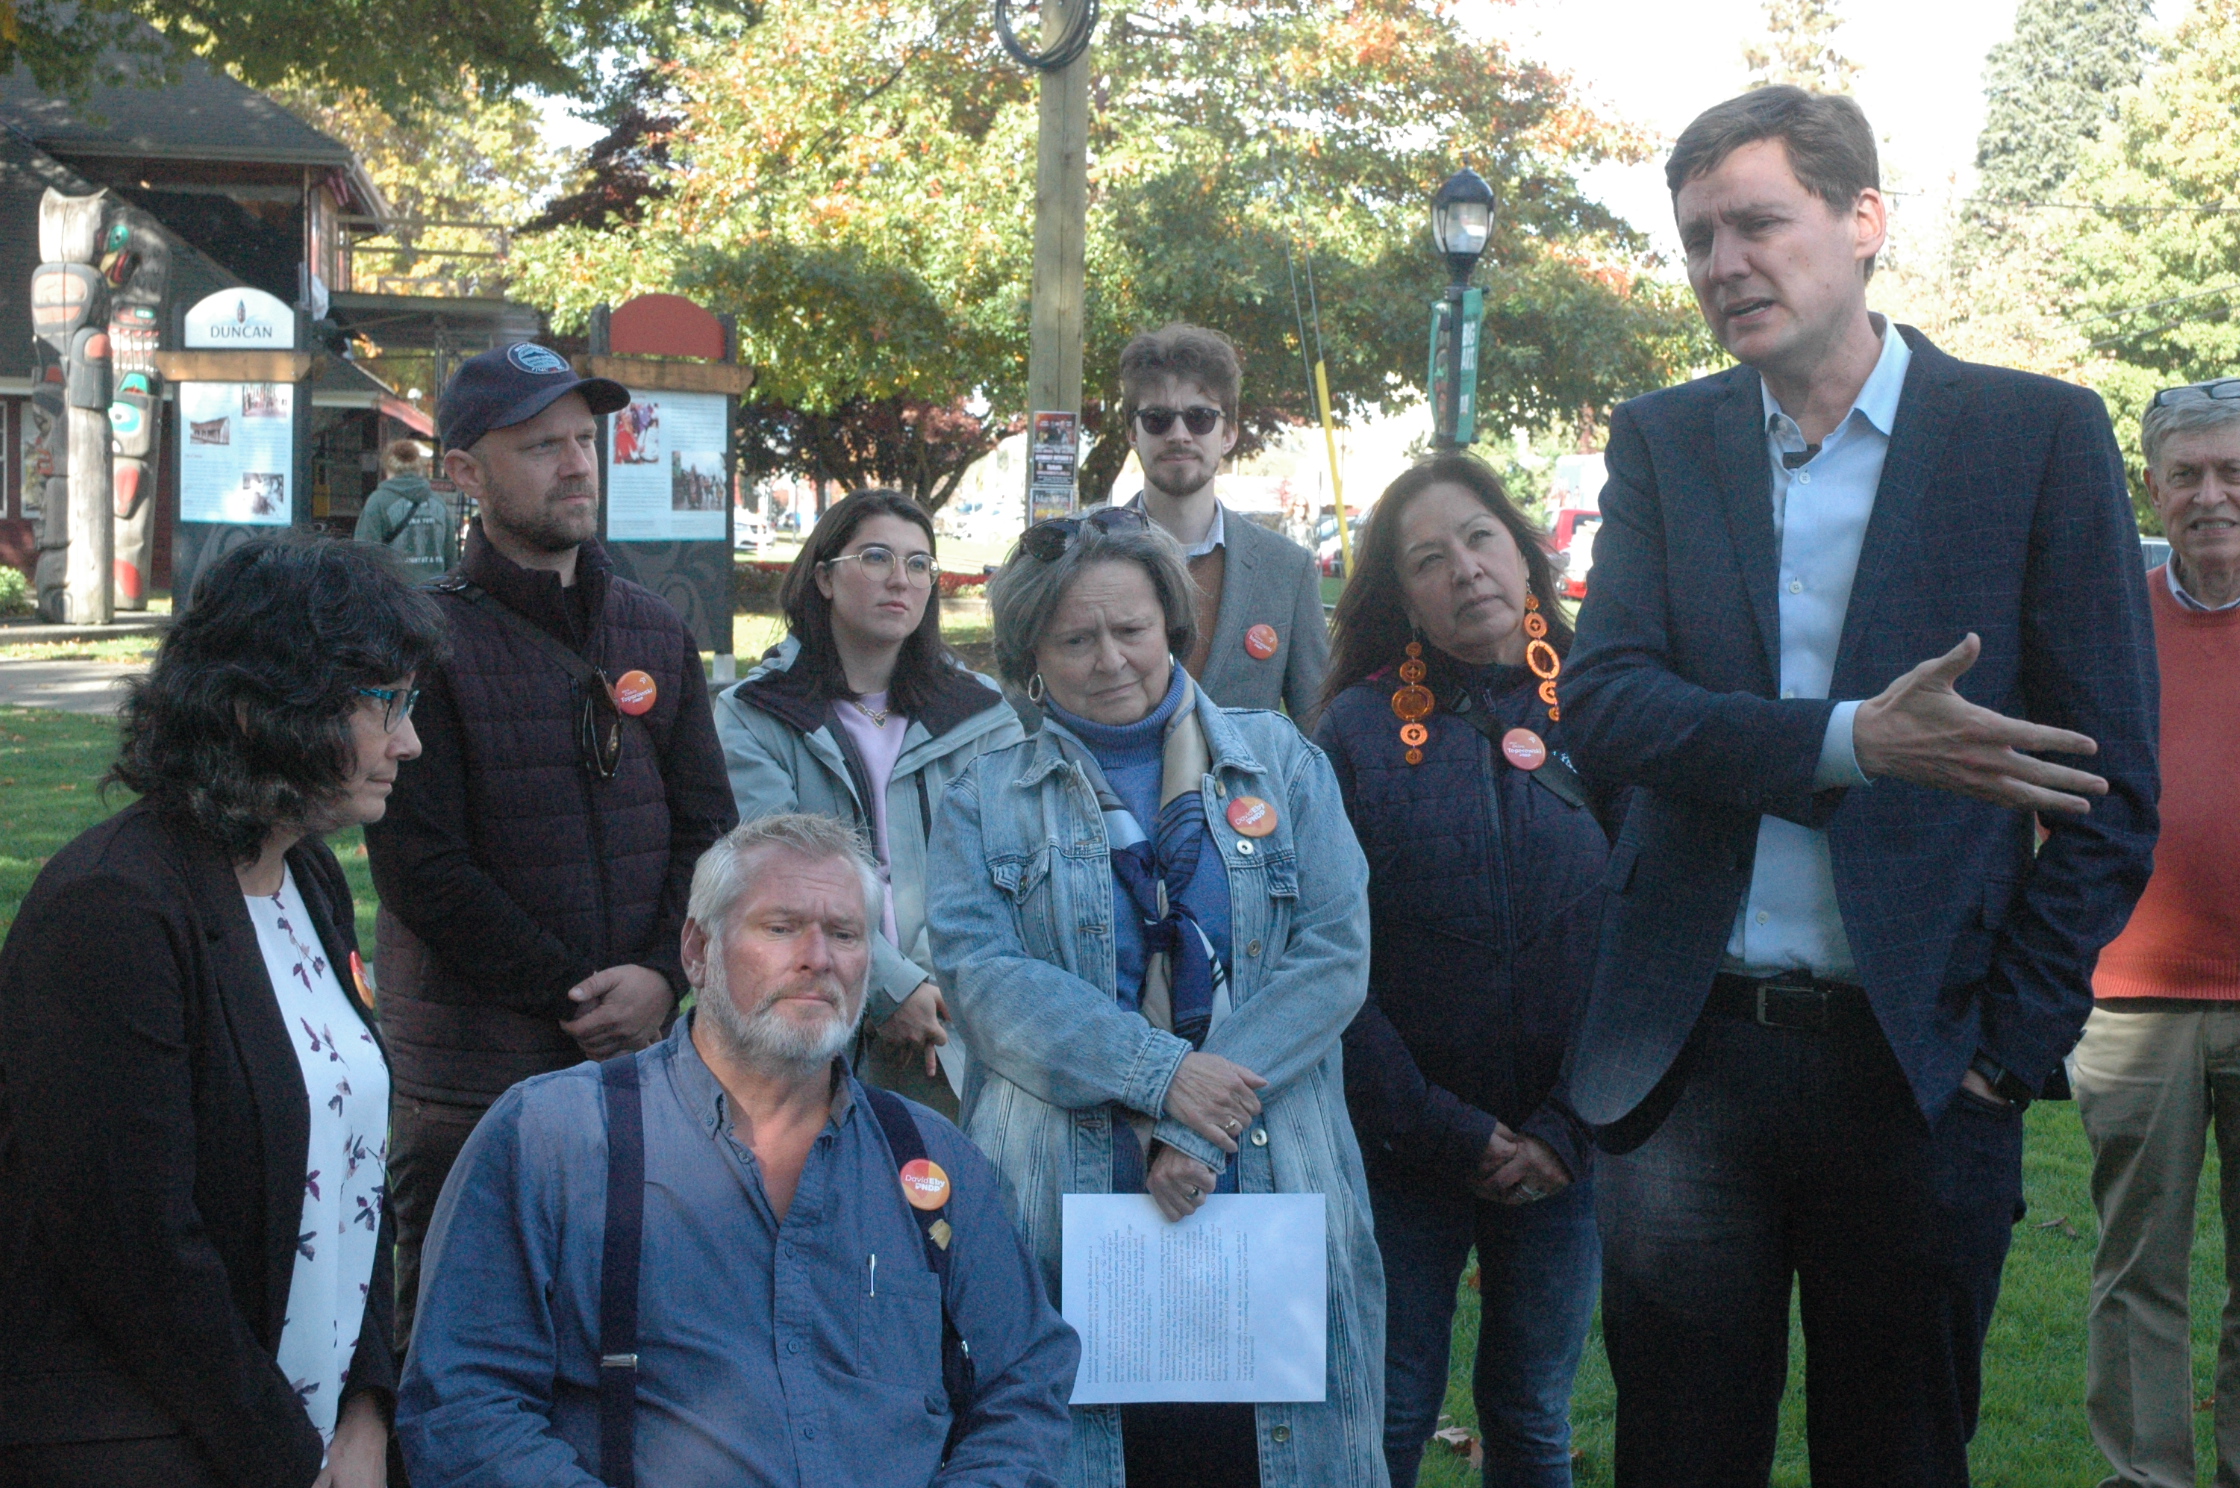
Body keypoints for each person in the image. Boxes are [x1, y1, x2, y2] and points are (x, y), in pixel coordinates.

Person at [1559, 86, 2160, 1486]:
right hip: (1690, 1061)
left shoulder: (2034, 437)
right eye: (1699, 237)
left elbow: (2111, 787)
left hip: (1925, 1065)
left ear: (1864, 220)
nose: (1723, 266)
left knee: (1896, 1458)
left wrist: (2007, 1051)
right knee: (1677, 1458)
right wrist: (1848, 745)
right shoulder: (1665, 441)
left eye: (1758, 223)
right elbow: (1605, 704)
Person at [396, 813, 1080, 1487]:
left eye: (844, 933)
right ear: (698, 950)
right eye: (781, 929)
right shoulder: (554, 1137)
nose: (818, 959)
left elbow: (1024, 1383)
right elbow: (464, 1408)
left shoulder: (932, 1160)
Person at [925, 508, 1384, 1488]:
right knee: (1096, 1456)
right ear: (1029, 653)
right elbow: (981, 978)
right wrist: (1161, 1077)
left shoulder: (1280, 761)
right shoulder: (981, 794)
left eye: (1130, 629)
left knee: (1262, 1458)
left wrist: (1197, 1122)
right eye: (1074, 638)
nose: (1110, 659)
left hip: (1266, 1179)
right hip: (1063, 1199)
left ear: (1169, 625)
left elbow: (1333, 955)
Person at [0, 537, 445, 1488]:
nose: (409, 741)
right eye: (386, 705)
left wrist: (366, 1409)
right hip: (147, 1440)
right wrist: (290, 1457)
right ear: (258, 710)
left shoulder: (306, 875)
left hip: (314, 1430)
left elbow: (353, 1169)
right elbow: (137, 1252)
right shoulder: (112, 910)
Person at [363, 343, 738, 1351]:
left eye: (585, 439)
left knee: (627, 1344)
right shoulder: (422, 644)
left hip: (644, 1065)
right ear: (463, 475)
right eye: (540, 447)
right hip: (473, 1079)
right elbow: (420, 870)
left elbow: (709, 831)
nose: (577, 465)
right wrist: (578, 996)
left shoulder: (654, 632)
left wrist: (664, 976)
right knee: (460, 1350)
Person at [1314, 454, 1610, 1488]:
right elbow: (1324, 955)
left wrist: (1570, 1129)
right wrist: (1431, 1123)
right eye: (1427, 559)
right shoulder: (1351, 732)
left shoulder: (1606, 706)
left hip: (1565, 1140)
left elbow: (1654, 937)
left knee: (1530, 1413)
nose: (1465, 571)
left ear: (1522, 553)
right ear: (1399, 596)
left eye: (1479, 538)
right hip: (1401, 1141)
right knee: (1386, 1407)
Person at [715, 488, 1022, 1117]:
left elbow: (1004, 868)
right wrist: (891, 988)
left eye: (918, 565)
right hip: (805, 1022)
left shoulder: (983, 715)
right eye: (877, 557)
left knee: (945, 1205)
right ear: (825, 577)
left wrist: (931, 989)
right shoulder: (755, 715)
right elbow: (781, 878)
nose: (901, 581)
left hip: (955, 1027)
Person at [2071, 381, 2240, 1488]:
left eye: (2230, 472)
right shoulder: (2104, 623)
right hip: (2130, 998)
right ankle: (2149, 1480)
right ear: (2151, 488)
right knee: (2139, 1269)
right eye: (2184, 474)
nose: (2210, 496)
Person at [1116, 322, 1330, 727]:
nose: (1179, 435)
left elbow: (1316, 730)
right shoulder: (1082, 558)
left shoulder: (1287, 570)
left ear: (1229, 433)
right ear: (1132, 431)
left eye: (1200, 418)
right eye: (1157, 419)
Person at [353, 438, 459, 580]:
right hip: (435, 596)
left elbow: (363, 557)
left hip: (395, 597)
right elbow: (451, 558)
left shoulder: (378, 502)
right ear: (419, 467)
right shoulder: (439, 503)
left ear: (387, 467)